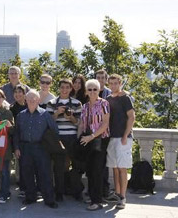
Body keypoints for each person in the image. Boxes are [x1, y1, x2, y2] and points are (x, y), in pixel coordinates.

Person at [14, 90, 58, 209]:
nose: (32, 101)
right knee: (27, 174)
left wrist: (51, 146)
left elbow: (54, 130)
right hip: (25, 148)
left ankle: (49, 200)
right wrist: (16, 148)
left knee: (45, 174)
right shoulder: (21, 115)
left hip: (41, 148)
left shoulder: (45, 115)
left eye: (34, 99)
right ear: (25, 100)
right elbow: (16, 133)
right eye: (29, 99)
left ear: (38, 100)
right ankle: (30, 197)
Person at [46, 78, 83, 201]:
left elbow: (79, 123)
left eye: (67, 87)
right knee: (59, 167)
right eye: (62, 87)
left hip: (72, 137)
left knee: (76, 165)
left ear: (71, 89)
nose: (65, 90)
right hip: (58, 138)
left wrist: (71, 117)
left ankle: (76, 191)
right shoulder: (51, 103)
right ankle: (59, 193)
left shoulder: (77, 103)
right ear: (59, 88)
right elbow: (48, 122)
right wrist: (56, 113)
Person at [78, 79, 110, 211]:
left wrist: (92, 136)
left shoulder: (104, 103)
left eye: (95, 89)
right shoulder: (84, 106)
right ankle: (92, 198)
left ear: (99, 90)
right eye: (89, 89)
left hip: (100, 140)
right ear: (86, 91)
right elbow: (81, 124)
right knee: (90, 170)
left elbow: (105, 124)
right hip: (87, 140)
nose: (92, 92)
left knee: (97, 170)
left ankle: (97, 201)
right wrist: (78, 139)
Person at [105, 74, 135, 209]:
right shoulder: (108, 99)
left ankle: (123, 197)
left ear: (120, 83)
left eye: (115, 83)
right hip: (111, 137)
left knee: (122, 168)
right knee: (115, 168)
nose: (113, 86)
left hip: (123, 138)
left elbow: (131, 117)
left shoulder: (126, 98)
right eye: (110, 83)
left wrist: (125, 135)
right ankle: (117, 194)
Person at [9, 84, 27, 197]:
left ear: (24, 94)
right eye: (15, 92)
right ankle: (22, 188)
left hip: (31, 139)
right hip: (18, 139)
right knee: (21, 165)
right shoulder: (12, 108)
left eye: (20, 92)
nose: (17, 94)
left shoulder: (30, 104)